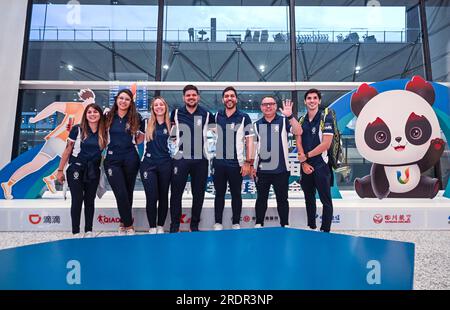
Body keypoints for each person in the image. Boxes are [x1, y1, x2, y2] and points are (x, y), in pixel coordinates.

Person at [1, 89, 95, 199]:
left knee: (34, 165)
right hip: (60, 141)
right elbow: (55, 105)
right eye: (93, 100)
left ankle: (8, 184)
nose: (93, 106)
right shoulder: (78, 107)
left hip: (55, 142)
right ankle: (51, 177)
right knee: (75, 160)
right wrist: (36, 119)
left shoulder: (86, 113)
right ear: (88, 98)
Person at [56, 103, 107, 238]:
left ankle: (89, 230)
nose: (92, 114)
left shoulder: (104, 131)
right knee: (77, 199)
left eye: (95, 112)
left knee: (90, 201)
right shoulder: (77, 129)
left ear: (100, 115)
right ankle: (76, 232)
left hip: (93, 170)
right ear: (85, 115)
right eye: (89, 112)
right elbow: (68, 150)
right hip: (76, 168)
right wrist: (60, 170)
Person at [169, 84, 214, 233]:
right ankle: (174, 226)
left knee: (199, 193)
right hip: (181, 158)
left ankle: (194, 225)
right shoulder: (176, 113)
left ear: (198, 97)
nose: (191, 97)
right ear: (184, 98)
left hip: (200, 159)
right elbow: (171, 133)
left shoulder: (207, 115)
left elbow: (218, 133)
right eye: (188, 95)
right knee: (176, 193)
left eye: (194, 95)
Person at [252, 96, 302, 228]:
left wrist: (290, 116)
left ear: (275, 106)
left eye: (271, 104)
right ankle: (259, 223)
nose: (268, 106)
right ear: (261, 107)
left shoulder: (284, 121)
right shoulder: (256, 125)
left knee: (282, 200)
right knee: (261, 199)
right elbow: (254, 146)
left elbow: (299, 131)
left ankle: (285, 224)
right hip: (262, 170)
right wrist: (252, 165)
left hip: (281, 170)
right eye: (265, 104)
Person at [212, 87, 254, 231]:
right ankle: (218, 223)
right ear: (223, 99)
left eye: (232, 96)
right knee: (219, 194)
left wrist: (248, 162)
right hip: (218, 162)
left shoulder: (244, 117)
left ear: (236, 99)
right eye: (226, 96)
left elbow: (250, 141)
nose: (229, 98)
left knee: (236, 194)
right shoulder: (217, 116)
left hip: (236, 163)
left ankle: (236, 223)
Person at [104, 89, 144, 236]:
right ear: (116, 99)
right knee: (120, 191)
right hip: (112, 159)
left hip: (130, 158)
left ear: (130, 102)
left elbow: (140, 139)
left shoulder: (136, 117)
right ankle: (129, 224)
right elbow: (101, 134)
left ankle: (123, 222)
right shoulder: (107, 116)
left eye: (127, 99)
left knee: (128, 192)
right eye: (121, 98)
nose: (123, 101)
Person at [296, 89, 334, 232]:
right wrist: (304, 162)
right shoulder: (301, 120)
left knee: (326, 200)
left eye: (314, 98)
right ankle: (311, 226)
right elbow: (298, 142)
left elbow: (326, 144)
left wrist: (306, 156)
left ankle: (325, 230)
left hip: (321, 165)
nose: (312, 101)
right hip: (306, 165)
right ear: (305, 101)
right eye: (309, 98)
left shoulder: (326, 118)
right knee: (309, 198)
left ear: (319, 101)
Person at [140, 97, 172, 234]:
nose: (159, 107)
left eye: (161, 104)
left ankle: (160, 226)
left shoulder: (172, 124)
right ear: (152, 108)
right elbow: (135, 139)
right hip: (148, 164)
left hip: (165, 163)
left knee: (163, 196)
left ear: (165, 107)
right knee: (151, 196)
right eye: (156, 105)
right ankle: (152, 226)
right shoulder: (146, 123)